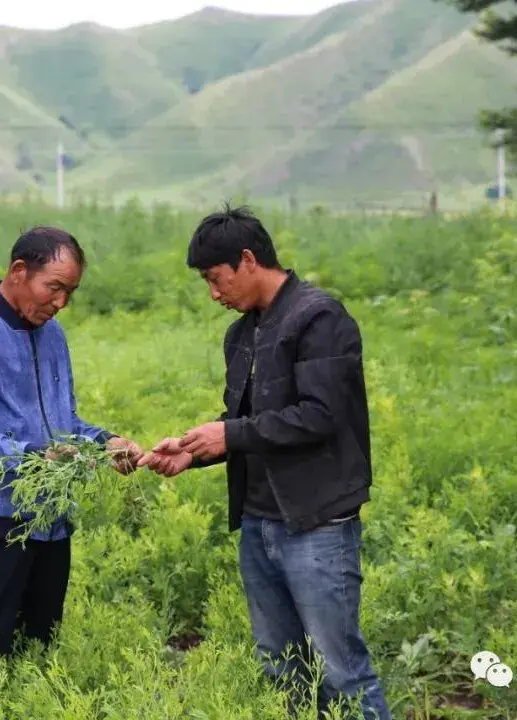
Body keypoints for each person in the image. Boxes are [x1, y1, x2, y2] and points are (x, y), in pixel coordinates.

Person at [138, 205, 391, 720]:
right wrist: (193, 449)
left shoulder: (320, 319)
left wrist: (228, 434)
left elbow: (319, 415)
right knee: (281, 666)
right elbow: (253, 423)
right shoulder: (243, 333)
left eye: (215, 278)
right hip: (260, 521)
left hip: (317, 521)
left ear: (248, 260)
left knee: (339, 669)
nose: (213, 293)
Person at [0, 225, 143, 684]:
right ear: (19, 271)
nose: (61, 302)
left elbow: (63, 426)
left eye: (71, 291)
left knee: (38, 657)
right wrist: (33, 455)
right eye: (55, 287)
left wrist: (106, 443)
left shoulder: (52, 335)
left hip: (51, 524)